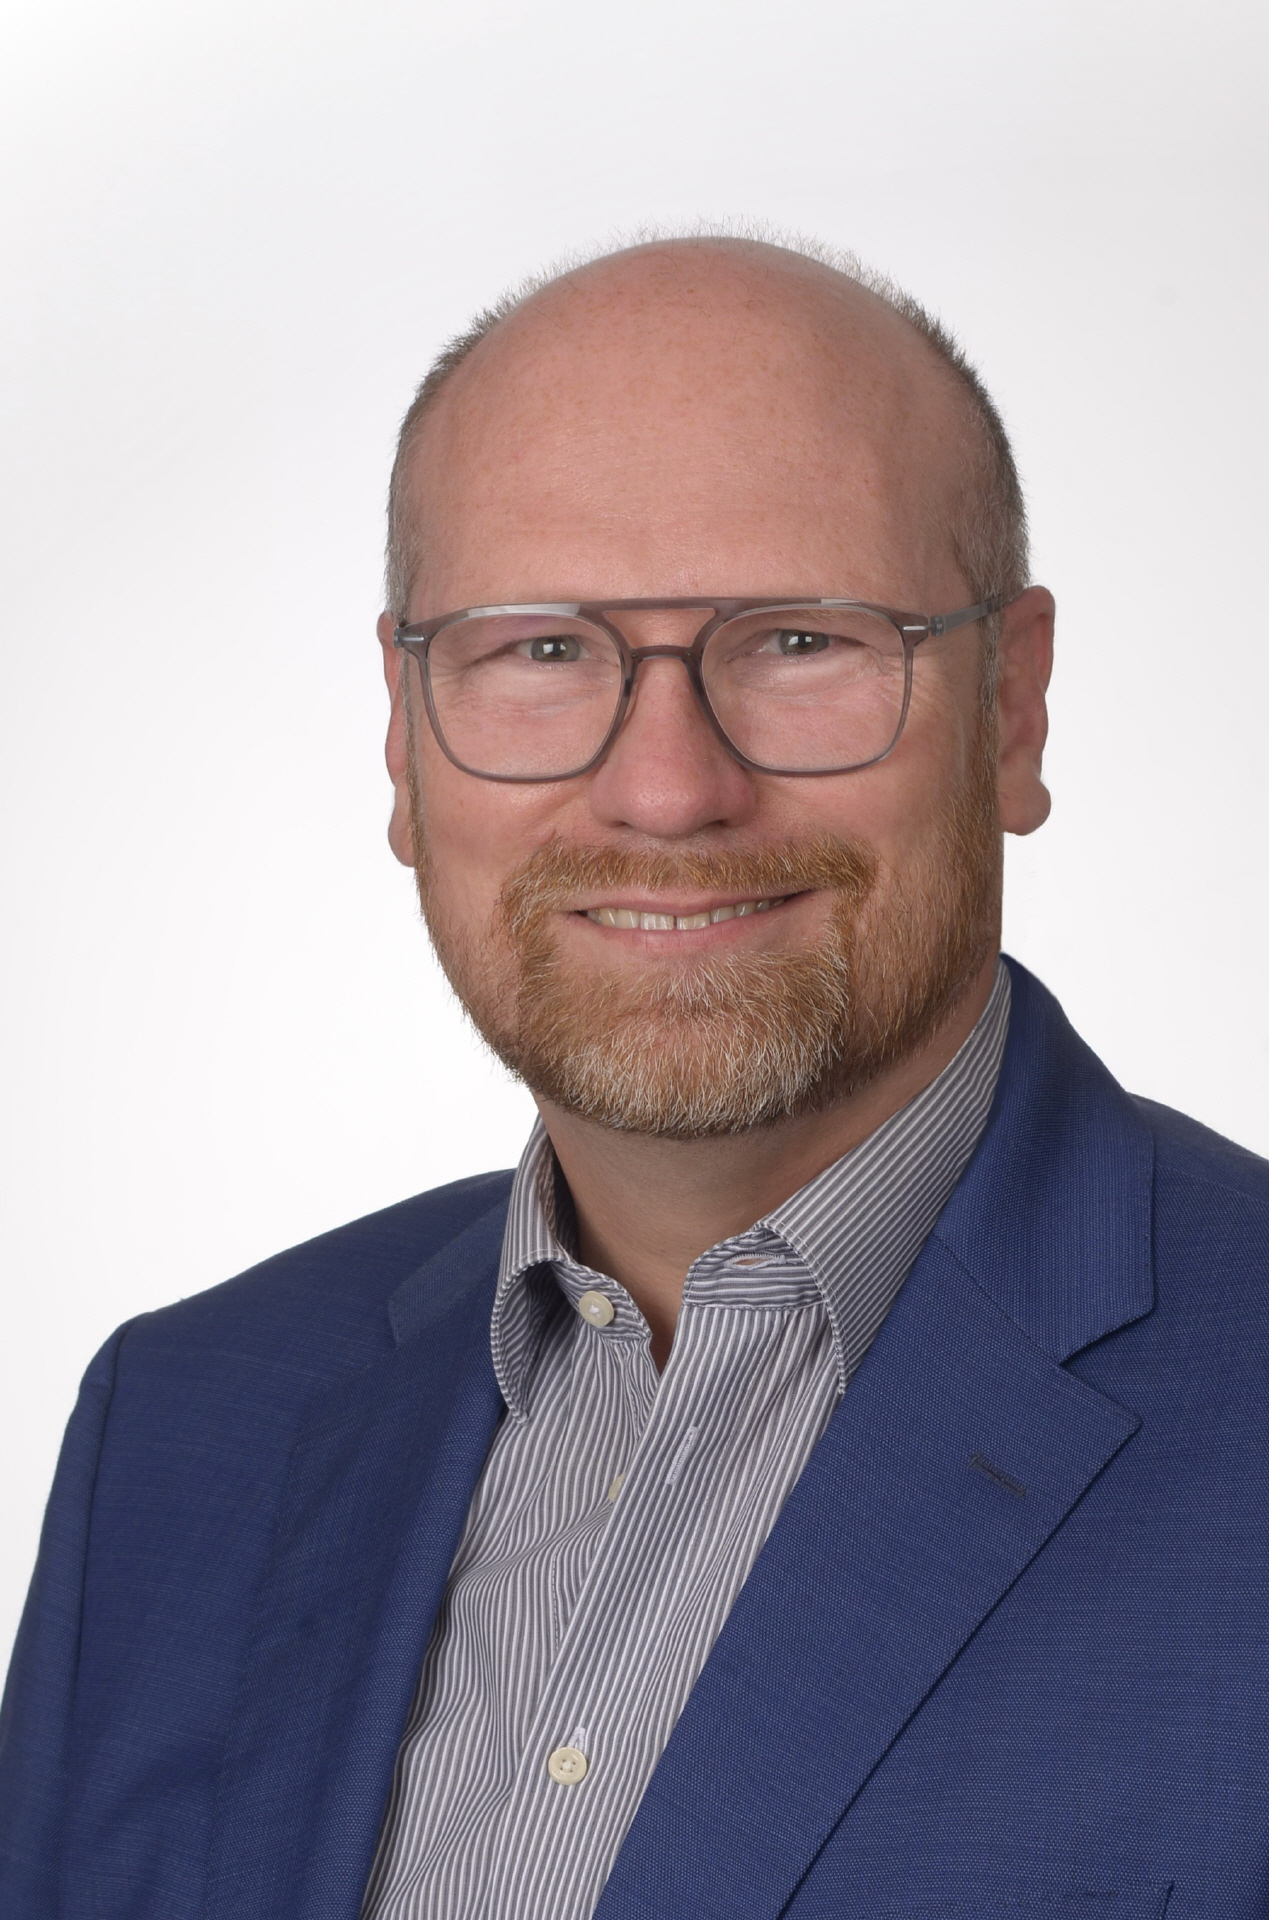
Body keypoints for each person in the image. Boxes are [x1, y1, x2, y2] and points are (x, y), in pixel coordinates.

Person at [2, 233, 1267, 1920]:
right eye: (539, 650)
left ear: (1012, 709)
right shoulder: (176, 1433)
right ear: (404, 733)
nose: (666, 791)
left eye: (798, 641)